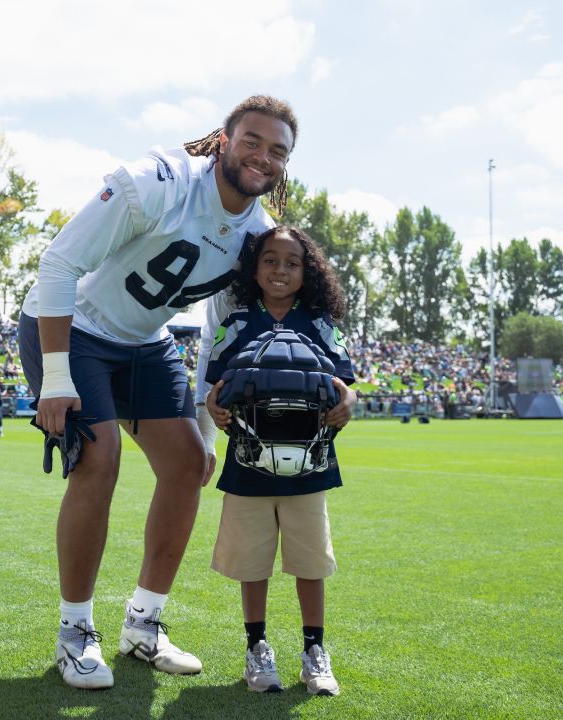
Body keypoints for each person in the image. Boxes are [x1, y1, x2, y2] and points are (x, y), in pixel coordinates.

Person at [19, 94, 299, 690]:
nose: (263, 156)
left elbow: (219, 327)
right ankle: (75, 632)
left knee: (190, 464)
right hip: (75, 327)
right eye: (252, 140)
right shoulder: (158, 181)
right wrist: (59, 377)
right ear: (223, 141)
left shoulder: (257, 233)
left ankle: (143, 624)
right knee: (99, 459)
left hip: (144, 342)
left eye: (278, 150)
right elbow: (57, 265)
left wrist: (203, 420)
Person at [201, 225, 355, 696]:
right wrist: (212, 405)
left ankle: (314, 651)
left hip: (311, 466)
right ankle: (257, 648)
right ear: (255, 267)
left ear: (307, 271)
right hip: (248, 465)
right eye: (270, 260)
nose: (280, 270)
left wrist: (350, 400)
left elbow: (347, 383)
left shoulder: (321, 324)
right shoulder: (239, 321)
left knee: (310, 562)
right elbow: (216, 386)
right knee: (253, 563)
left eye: (292, 262)